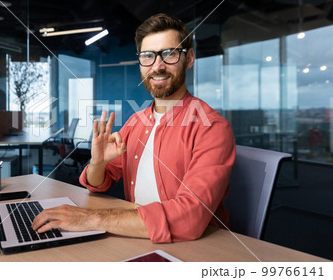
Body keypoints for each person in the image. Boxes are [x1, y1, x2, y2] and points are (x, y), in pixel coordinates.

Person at [32, 13, 235, 243]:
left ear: (188, 58)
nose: (158, 66)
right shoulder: (137, 122)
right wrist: (98, 163)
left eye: (169, 54)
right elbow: (99, 183)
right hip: (138, 236)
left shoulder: (212, 128)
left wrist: (91, 219)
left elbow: (190, 217)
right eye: (148, 56)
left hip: (196, 247)